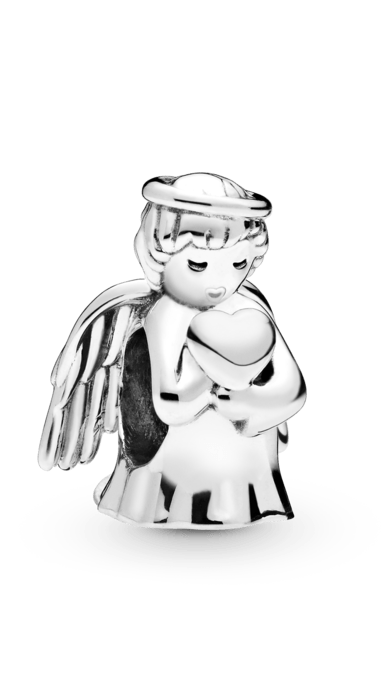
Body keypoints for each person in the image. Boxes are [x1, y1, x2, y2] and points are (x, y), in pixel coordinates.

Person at [38, 172, 307, 528]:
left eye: (238, 264)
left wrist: (254, 403)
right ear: (159, 256)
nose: (219, 283)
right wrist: (209, 380)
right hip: (176, 455)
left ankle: (248, 505)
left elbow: (293, 386)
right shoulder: (166, 315)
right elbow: (168, 402)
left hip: (246, 452)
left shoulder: (251, 309)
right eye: (197, 265)